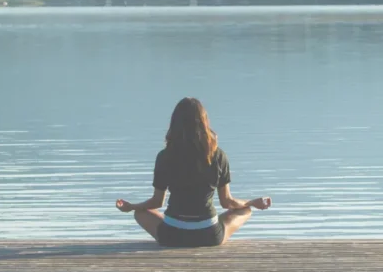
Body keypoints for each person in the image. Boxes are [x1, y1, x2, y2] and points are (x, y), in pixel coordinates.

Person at [115, 97, 272, 247]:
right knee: (245, 210)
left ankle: (174, 224)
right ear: (204, 123)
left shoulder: (165, 156)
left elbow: (157, 202)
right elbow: (227, 202)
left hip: (172, 236)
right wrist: (251, 202)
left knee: (140, 213)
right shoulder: (218, 155)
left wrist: (132, 206)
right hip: (209, 235)